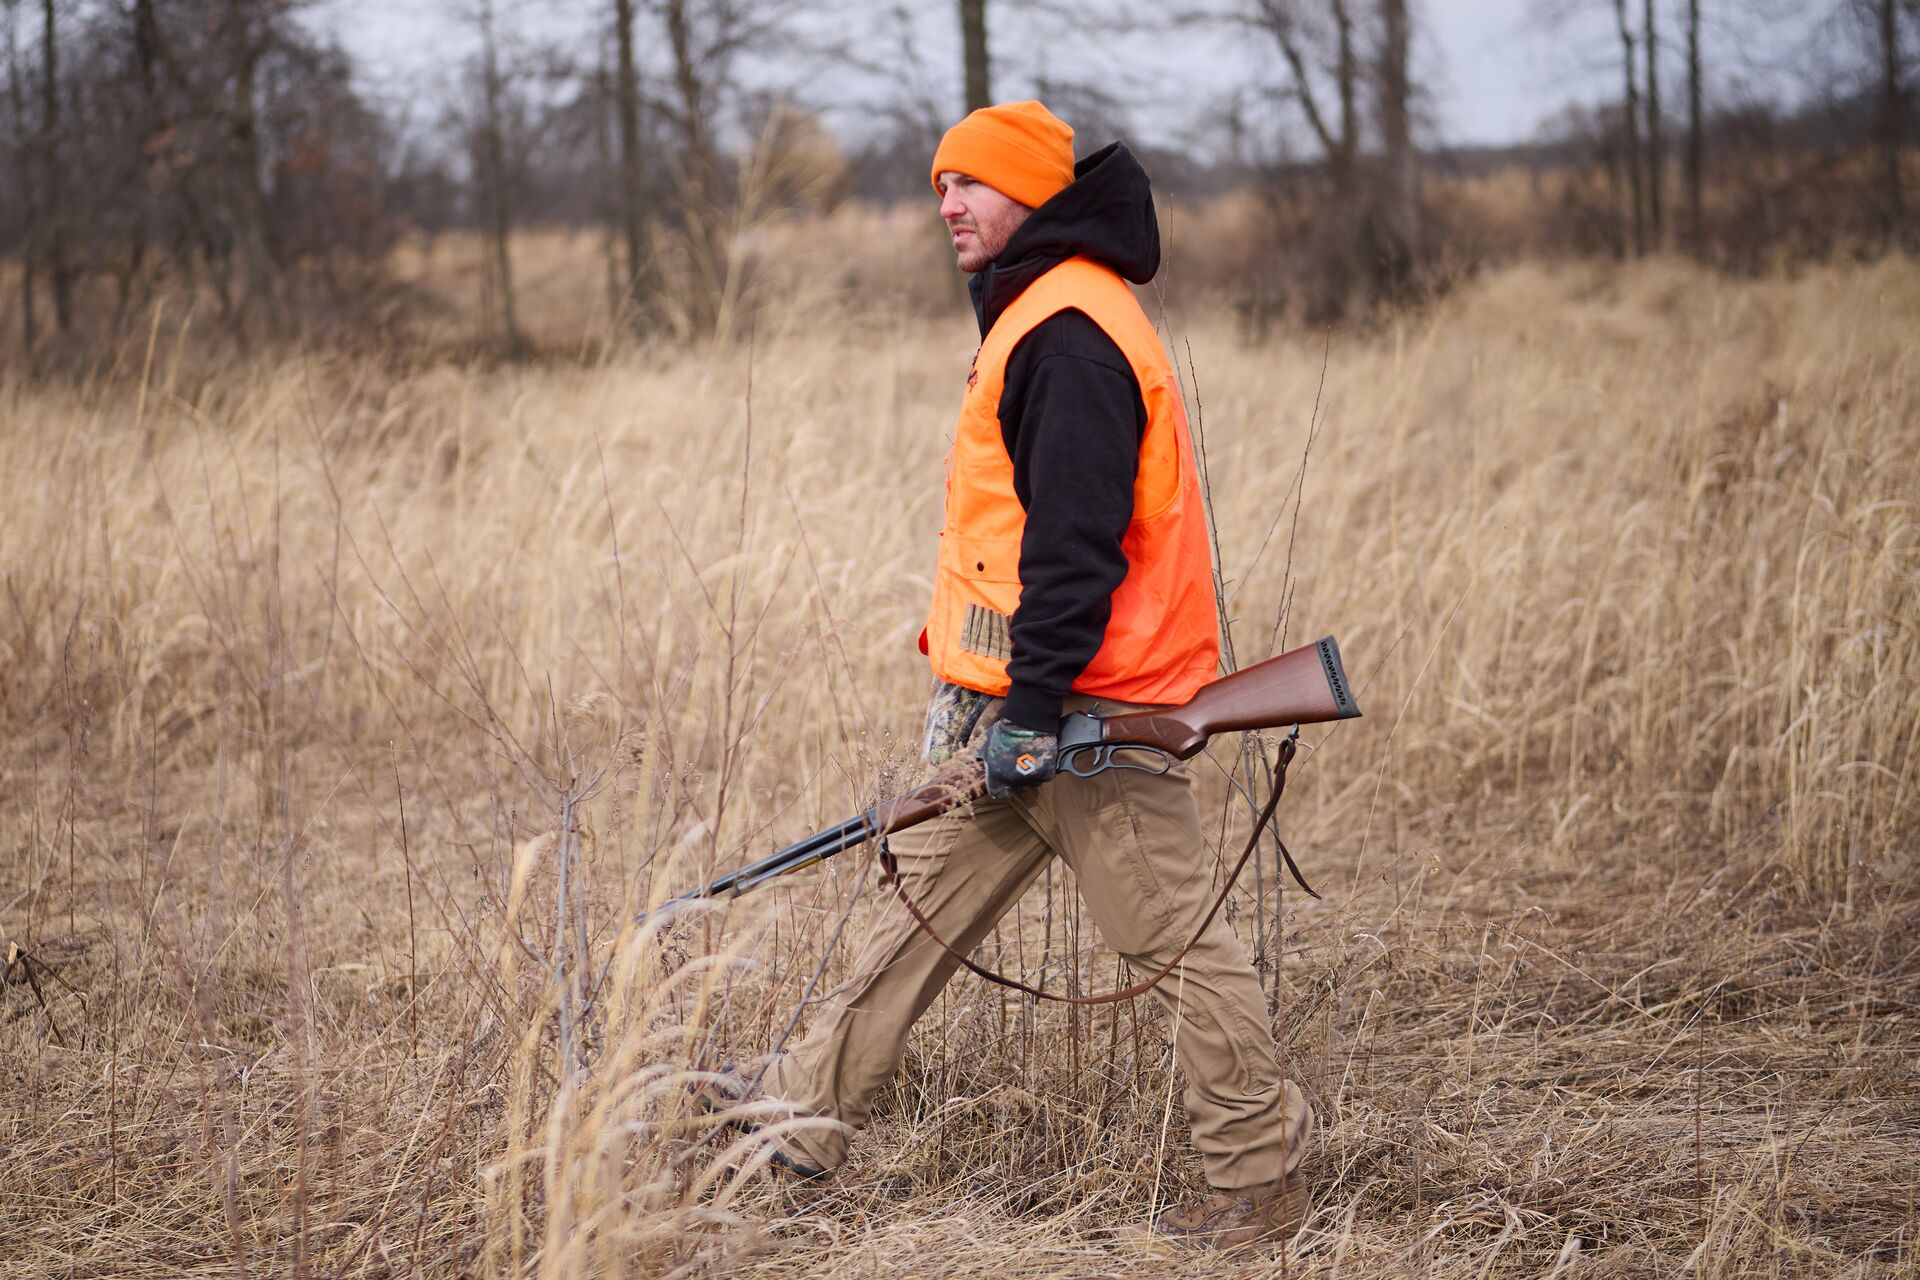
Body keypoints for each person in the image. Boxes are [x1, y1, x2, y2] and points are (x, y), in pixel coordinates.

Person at [706, 100, 1313, 1251]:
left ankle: (1257, 1179)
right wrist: (1004, 714)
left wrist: (1031, 714)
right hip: (1023, 714)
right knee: (913, 909)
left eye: (970, 183)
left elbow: (1074, 549)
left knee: (1176, 945)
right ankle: (795, 1113)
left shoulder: (1070, 334)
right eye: (939, 184)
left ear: (1031, 192)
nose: (948, 202)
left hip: (1083, 716)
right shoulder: (1041, 313)